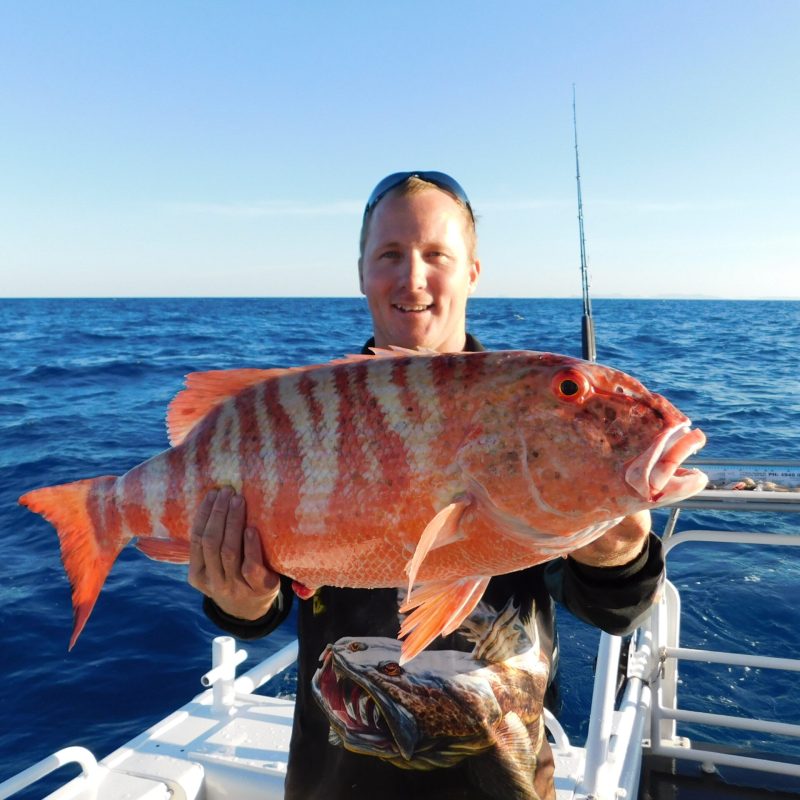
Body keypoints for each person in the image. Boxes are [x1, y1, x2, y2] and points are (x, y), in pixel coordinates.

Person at [187, 171, 664, 800]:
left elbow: (615, 611)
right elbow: (257, 610)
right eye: (390, 255)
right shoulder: (304, 413)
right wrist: (239, 599)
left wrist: (620, 553)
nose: (413, 277)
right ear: (361, 271)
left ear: (472, 271)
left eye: (437, 255)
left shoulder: (531, 416)